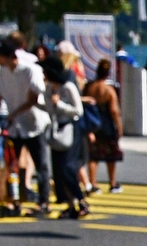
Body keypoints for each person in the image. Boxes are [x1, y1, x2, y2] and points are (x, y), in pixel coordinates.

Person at [0, 35, 52, 216]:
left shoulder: (30, 70)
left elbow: (32, 100)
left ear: (8, 56)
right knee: (11, 164)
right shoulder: (0, 71)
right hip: (15, 125)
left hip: (34, 123)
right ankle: (14, 200)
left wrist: (13, 114)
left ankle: (44, 201)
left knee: (41, 164)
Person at [44, 51, 88, 219]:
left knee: (68, 167)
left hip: (70, 128)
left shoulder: (68, 87)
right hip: (57, 128)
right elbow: (48, 108)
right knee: (59, 170)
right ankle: (70, 204)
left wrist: (60, 104)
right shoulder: (49, 88)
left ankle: (81, 200)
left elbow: (78, 110)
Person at [86, 58, 124, 195]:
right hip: (107, 124)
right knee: (111, 156)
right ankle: (112, 183)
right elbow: (114, 111)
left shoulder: (90, 87)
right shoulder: (109, 90)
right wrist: (119, 127)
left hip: (93, 124)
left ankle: (93, 183)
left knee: (93, 156)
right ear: (108, 73)